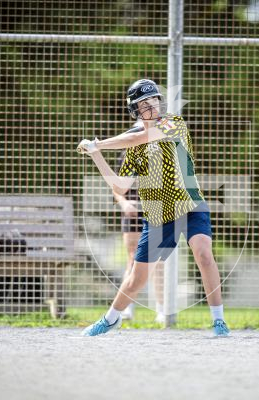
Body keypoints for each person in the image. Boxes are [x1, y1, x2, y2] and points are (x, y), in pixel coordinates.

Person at [77, 79, 229, 336]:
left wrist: (99, 143)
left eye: (154, 101)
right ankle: (111, 318)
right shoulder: (134, 149)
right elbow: (119, 187)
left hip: (191, 204)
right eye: (144, 105)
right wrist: (95, 154)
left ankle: (219, 320)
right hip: (159, 214)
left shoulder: (173, 124)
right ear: (135, 110)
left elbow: (141, 136)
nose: (152, 108)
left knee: (203, 252)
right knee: (137, 278)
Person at [113, 144, 165, 323]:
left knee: (159, 260)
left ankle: (162, 311)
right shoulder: (127, 152)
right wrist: (124, 204)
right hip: (133, 211)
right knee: (133, 258)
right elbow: (116, 187)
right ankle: (126, 309)